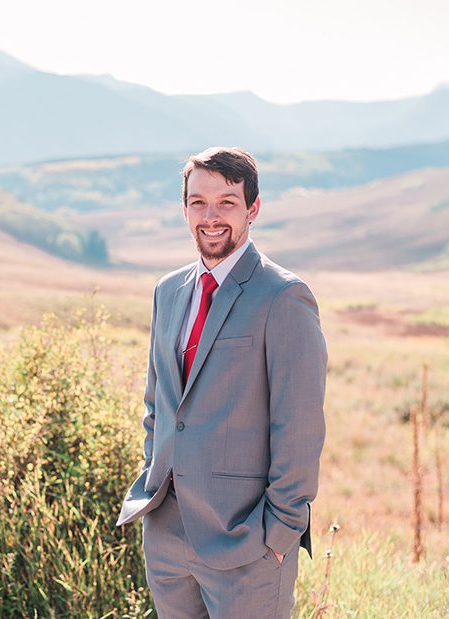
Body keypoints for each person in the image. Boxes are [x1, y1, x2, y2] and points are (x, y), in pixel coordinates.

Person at [115, 146, 327, 618]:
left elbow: (300, 427)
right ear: (184, 208)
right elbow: (159, 403)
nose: (210, 217)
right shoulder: (168, 291)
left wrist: (279, 535)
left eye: (226, 202)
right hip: (168, 537)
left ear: (253, 208)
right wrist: (155, 474)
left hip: (247, 543)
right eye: (198, 202)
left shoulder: (284, 297)